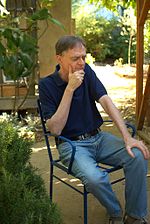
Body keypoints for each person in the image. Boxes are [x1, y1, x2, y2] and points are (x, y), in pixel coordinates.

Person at [39, 35, 150, 224]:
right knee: (95, 179)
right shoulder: (46, 85)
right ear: (60, 58)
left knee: (137, 156)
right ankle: (115, 213)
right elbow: (56, 129)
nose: (81, 62)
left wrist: (127, 138)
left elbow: (106, 100)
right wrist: (70, 89)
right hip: (72, 145)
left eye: (84, 57)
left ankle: (134, 216)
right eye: (75, 58)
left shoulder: (87, 71)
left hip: (99, 138)